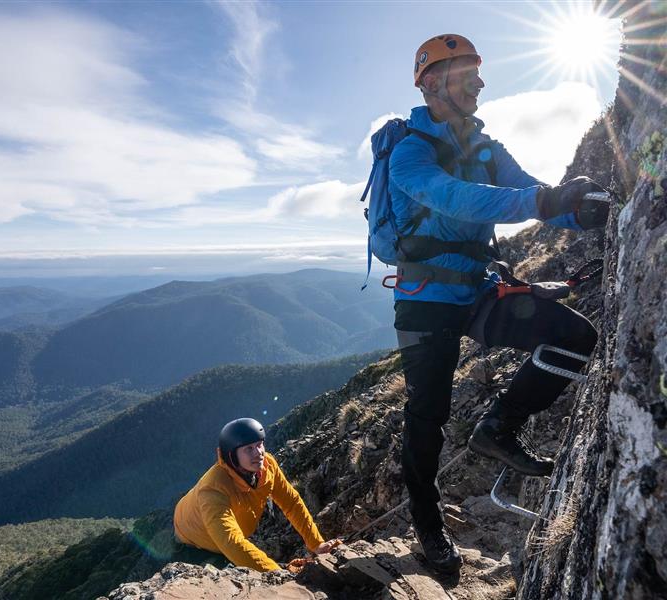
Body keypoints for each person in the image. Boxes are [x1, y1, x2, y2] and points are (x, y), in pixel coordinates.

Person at [389, 34, 608, 574]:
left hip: (477, 290)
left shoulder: (487, 148)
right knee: (427, 417)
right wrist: (541, 201)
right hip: (425, 300)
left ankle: (499, 428)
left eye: (478, 75)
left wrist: (577, 211)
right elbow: (455, 198)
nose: (480, 84)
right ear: (432, 83)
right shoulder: (409, 152)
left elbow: (531, 190)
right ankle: (429, 527)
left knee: (576, 337)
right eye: (468, 76)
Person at [173, 418, 340, 572]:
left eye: (260, 445)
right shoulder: (213, 490)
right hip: (194, 542)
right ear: (231, 455)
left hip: (226, 533)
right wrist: (277, 574)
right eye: (249, 449)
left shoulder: (267, 466)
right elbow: (231, 541)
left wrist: (317, 544)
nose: (258, 453)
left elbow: (291, 502)